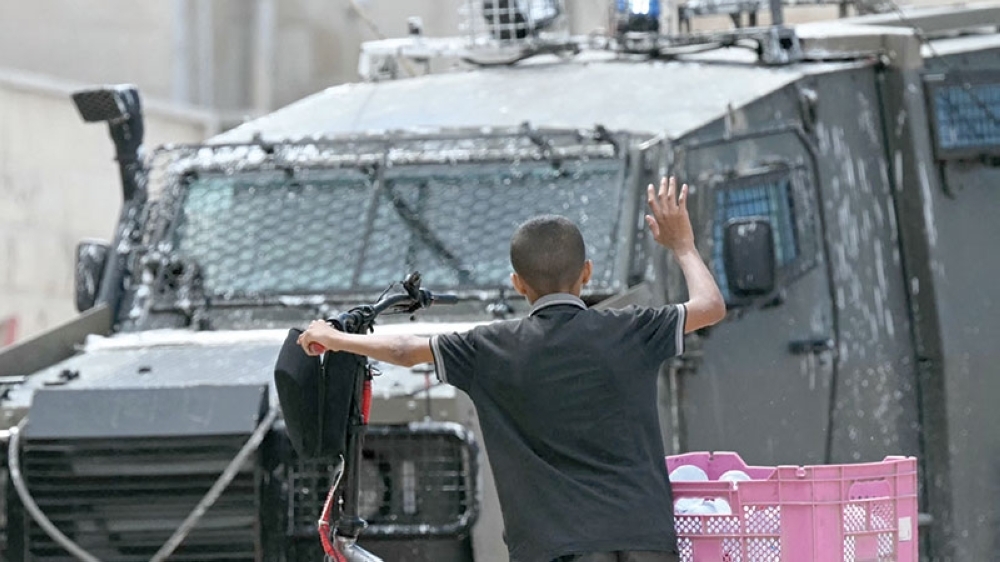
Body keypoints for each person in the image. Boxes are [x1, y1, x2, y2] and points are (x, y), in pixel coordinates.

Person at [298, 176, 726, 562]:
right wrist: (683, 246)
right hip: (646, 543)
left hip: (555, 550)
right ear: (587, 274)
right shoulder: (632, 329)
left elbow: (407, 349)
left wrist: (335, 338)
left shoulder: (490, 347)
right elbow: (709, 306)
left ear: (518, 283)